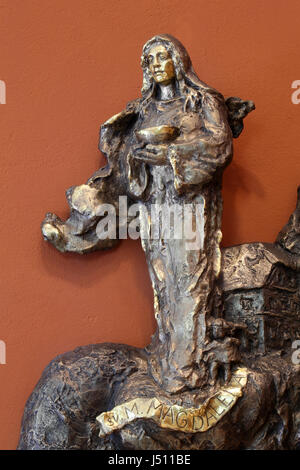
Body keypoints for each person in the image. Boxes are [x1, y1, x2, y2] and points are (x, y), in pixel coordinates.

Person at [42, 35, 239, 393]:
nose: (156, 64)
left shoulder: (201, 101)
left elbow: (220, 146)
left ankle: (189, 367)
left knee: (190, 277)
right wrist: (138, 157)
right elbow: (126, 160)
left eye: (163, 56)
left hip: (188, 205)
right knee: (163, 279)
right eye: (149, 60)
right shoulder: (144, 110)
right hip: (154, 204)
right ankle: (169, 355)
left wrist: (172, 155)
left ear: (178, 60)